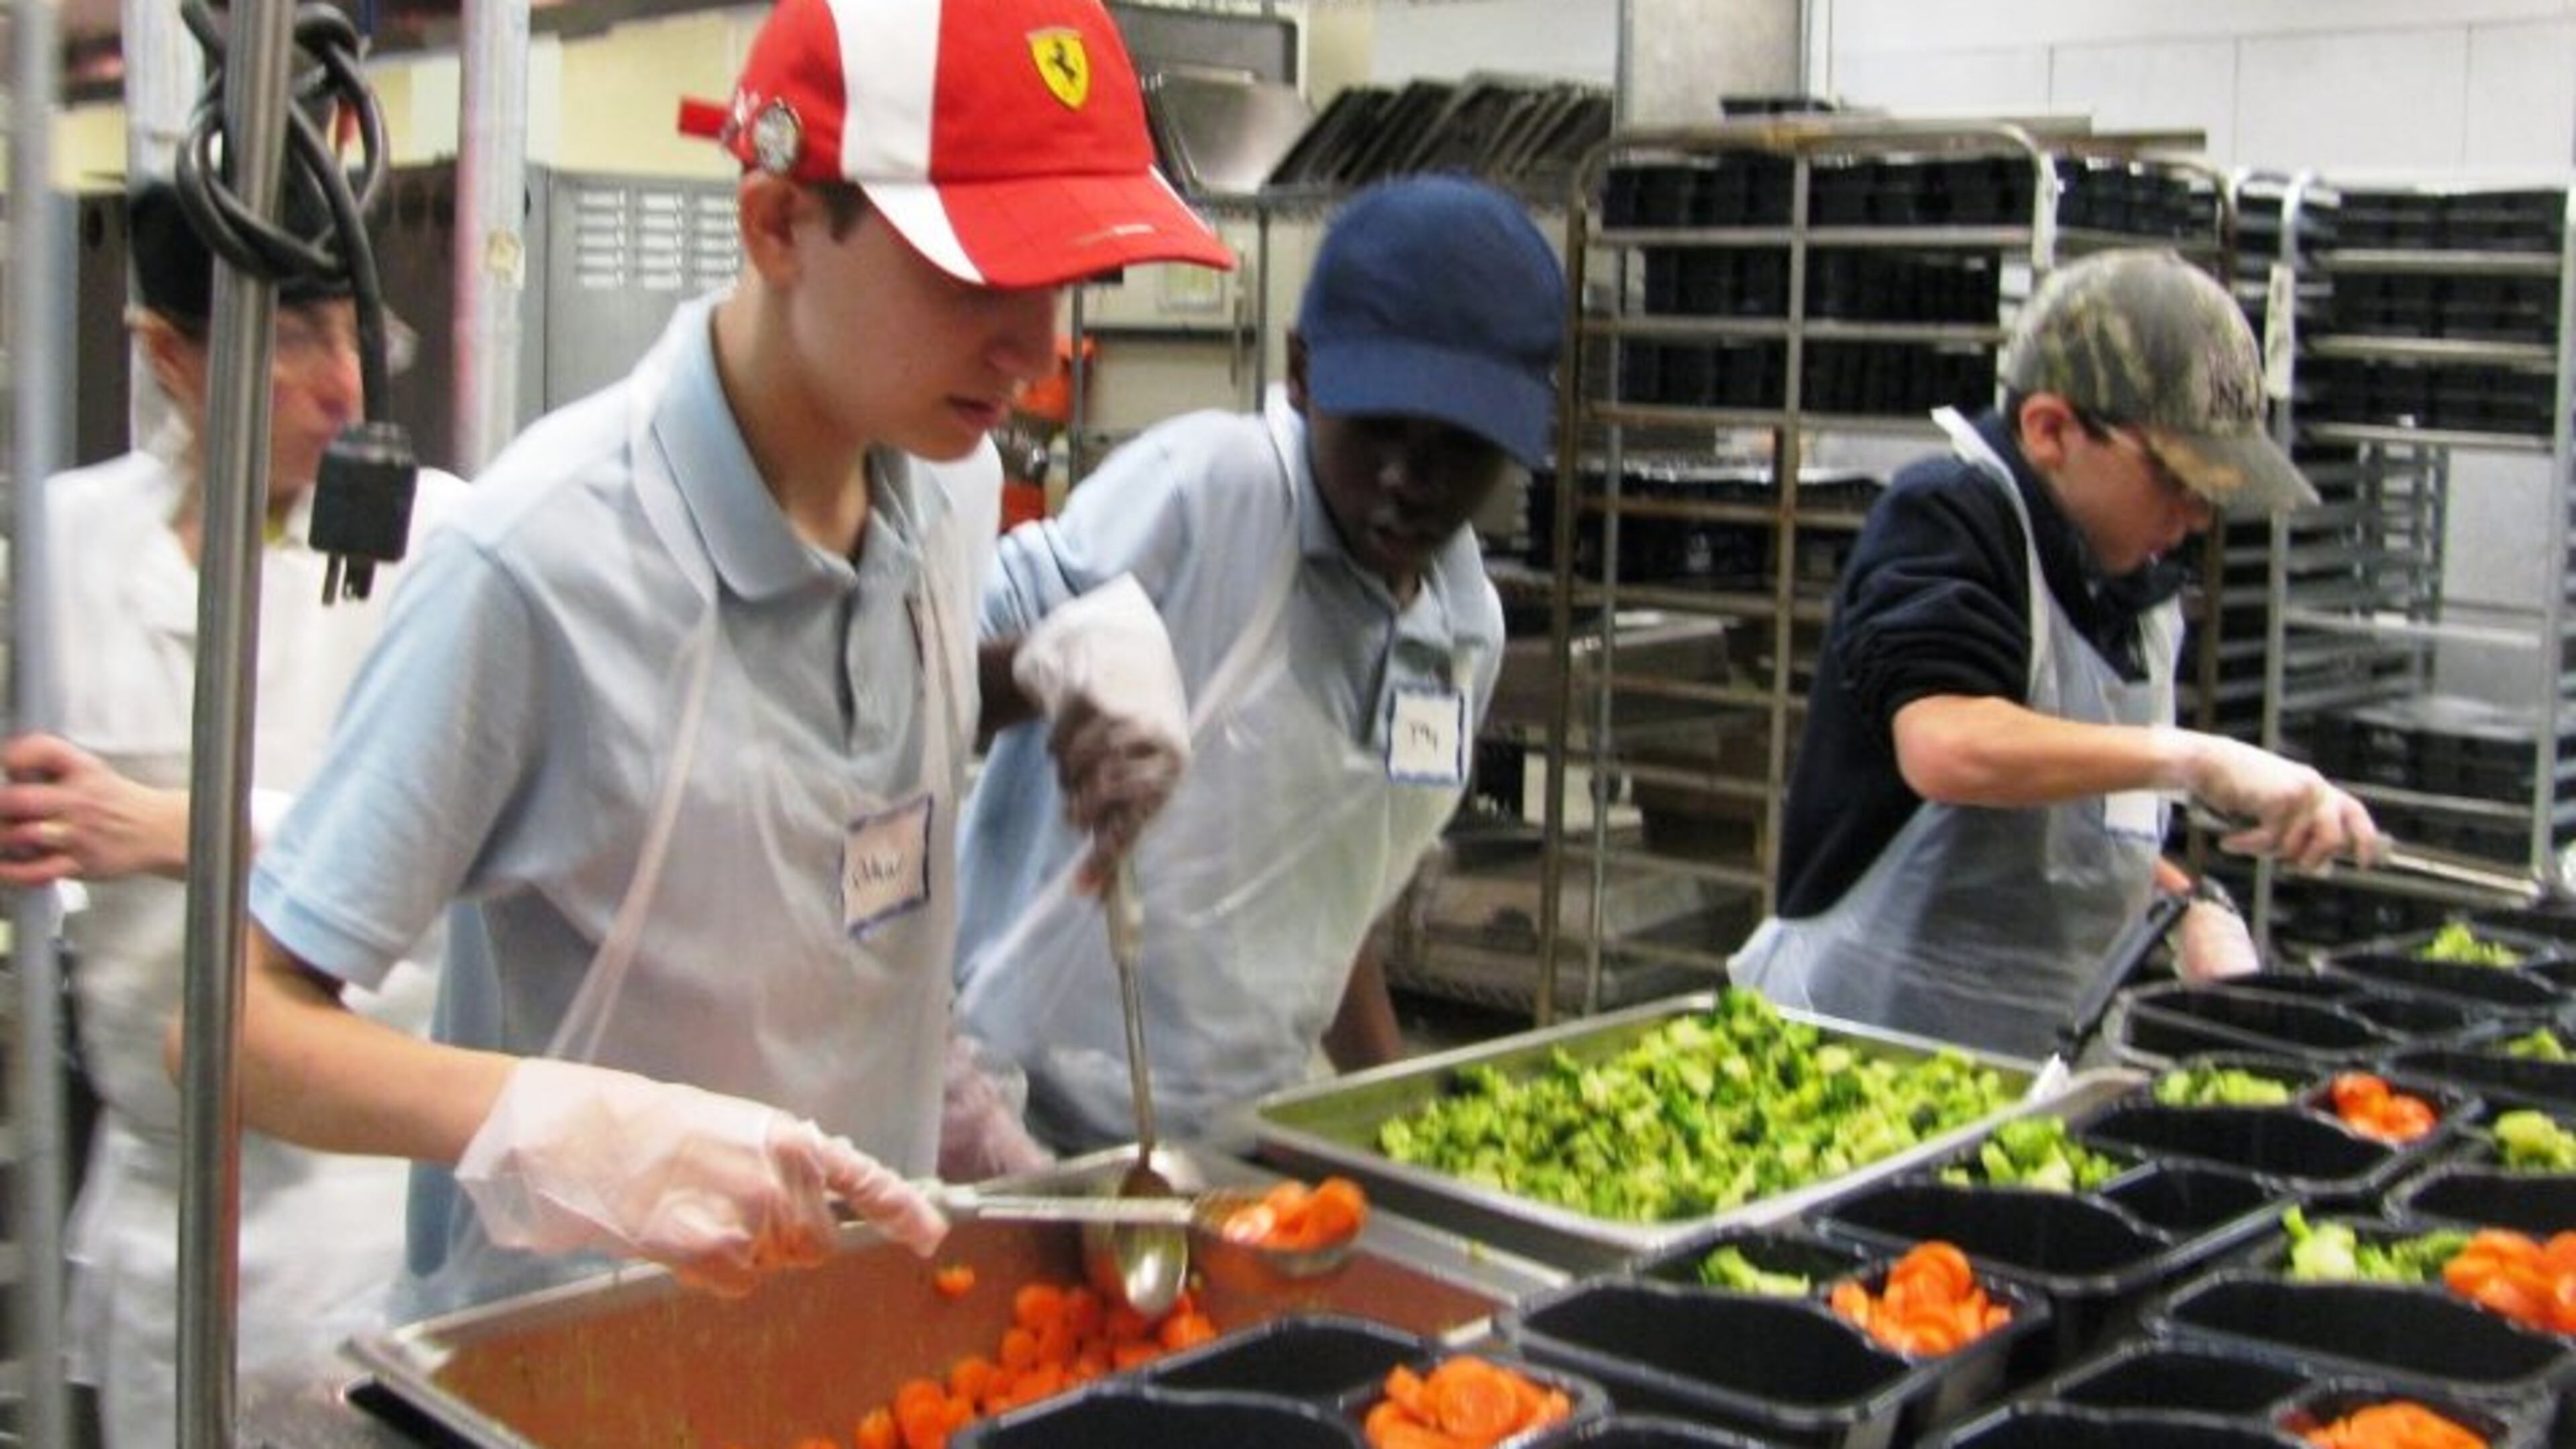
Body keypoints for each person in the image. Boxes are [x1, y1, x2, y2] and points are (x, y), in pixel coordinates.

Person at [202, 0, 1230, 1318]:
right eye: (977, 280)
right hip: (582, 1355)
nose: (1037, 353)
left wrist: (1039, 670)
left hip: (852, 1338)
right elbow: (235, 1024)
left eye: (1067, 284)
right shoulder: (540, 562)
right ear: (779, 223)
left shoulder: (945, 489)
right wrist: (566, 1125)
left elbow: (843, 871)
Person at [953, 175, 1566, 1150]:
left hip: (1240, 1137)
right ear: (1301, 371)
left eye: (1460, 447)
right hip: (1012, 1119)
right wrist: (1043, 664)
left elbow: (1328, 902)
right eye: (1380, 426)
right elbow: (917, 687)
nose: (1411, 481)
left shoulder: (1463, 632)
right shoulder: (1208, 492)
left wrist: (1399, 1120)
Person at [0, 180, 466, 1446]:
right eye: (293, 342)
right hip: (154, 1214)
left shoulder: (440, 545)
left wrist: (173, 830)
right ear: (170, 355)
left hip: (358, 1213)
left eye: (357, 336)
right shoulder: (69, 543)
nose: (345, 389)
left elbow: (442, 855)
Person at [1729, 247, 2383, 1061]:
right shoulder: (1947, 517)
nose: (2198, 516)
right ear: (2050, 430)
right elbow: (1948, 747)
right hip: (1853, 1050)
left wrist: (2187, 905)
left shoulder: (2129, 586)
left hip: (2029, 1062)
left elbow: (2071, 831)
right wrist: (2198, 760)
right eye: (2177, 478)